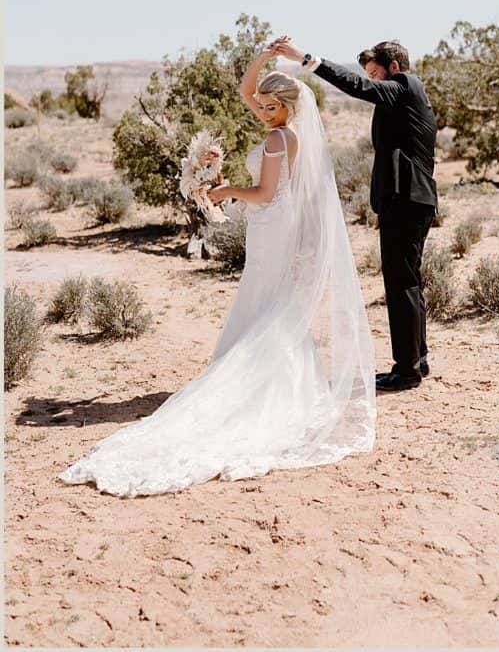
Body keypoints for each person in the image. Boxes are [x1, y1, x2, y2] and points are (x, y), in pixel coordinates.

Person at [59, 48, 376, 497]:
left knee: (266, 294)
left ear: (290, 106)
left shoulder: (275, 139)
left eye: (272, 106)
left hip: (271, 222)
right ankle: (290, 385)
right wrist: (265, 58)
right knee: (271, 298)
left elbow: (265, 193)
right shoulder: (286, 133)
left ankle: (260, 380)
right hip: (275, 223)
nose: (263, 111)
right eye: (263, 106)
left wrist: (225, 188)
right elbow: (248, 90)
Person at [270, 37, 438, 392]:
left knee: (400, 282)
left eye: (377, 74)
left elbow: (357, 87)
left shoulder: (405, 85)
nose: (374, 82)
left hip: (405, 200)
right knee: (409, 280)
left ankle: (406, 370)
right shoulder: (407, 96)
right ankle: (417, 359)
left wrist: (307, 59)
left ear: (394, 67)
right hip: (414, 200)